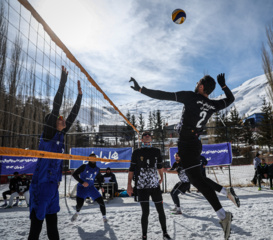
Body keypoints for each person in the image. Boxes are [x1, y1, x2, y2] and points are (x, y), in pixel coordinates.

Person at [129, 73, 239, 239]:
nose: (196, 83)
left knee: (197, 180)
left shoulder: (190, 97)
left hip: (187, 144)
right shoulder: (212, 104)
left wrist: (140, 89)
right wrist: (224, 86)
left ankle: (224, 215)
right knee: (197, 180)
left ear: (201, 87)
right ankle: (224, 205)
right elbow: (230, 99)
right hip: (195, 144)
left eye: (198, 82)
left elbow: (163, 95)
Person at [28, 66, 82, 240]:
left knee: (53, 227)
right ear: (52, 122)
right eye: (59, 118)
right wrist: (63, 80)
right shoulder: (49, 133)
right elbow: (56, 105)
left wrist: (80, 96)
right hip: (41, 185)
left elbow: (72, 116)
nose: (63, 119)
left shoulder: (60, 134)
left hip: (52, 187)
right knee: (36, 228)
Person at [127, 132, 171, 240]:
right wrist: (129, 185)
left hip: (154, 185)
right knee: (145, 212)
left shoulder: (156, 151)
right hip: (142, 186)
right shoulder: (137, 152)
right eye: (145, 136)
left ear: (151, 139)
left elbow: (160, 166)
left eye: (149, 135)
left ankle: (165, 233)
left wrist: (161, 177)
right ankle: (144, 235)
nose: (147, 136)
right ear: (141, 140)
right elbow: (131, 170)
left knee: (160, 210)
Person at [71, 153, 107, 223]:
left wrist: (101, 186)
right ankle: (77, 213)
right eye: (91, 158)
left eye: (94, 158)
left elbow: (99, 178)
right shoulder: (84, 166)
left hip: (91, 188)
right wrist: (82, 182)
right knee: (79, 205)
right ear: (89, 159)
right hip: (82, 188)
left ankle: (104, 218)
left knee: (101, 202)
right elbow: (74, 174)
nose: (93, 159)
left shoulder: (97, 169)